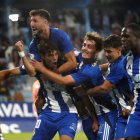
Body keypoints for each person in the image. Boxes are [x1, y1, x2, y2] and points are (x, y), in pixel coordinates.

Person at [30, 31, 118, 140]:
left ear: (97, 51)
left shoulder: (89, 70)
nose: (85, 48)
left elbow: (63, 81)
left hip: (106, 113)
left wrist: (42, 69)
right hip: (91, 114)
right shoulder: (79, 58)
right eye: (84, 45)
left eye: (90, 47)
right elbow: (63, 49)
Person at [78, 34, 133, 140]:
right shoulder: (114, 64)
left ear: (118, 50)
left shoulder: (120, 65)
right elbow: (105, 66)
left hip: (130, 110)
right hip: (122, 113)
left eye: (109, 51)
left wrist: (85, 92)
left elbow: (104, 88)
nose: (106, 55)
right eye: (105, 51)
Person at [28, 9, 77, 74]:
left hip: (72, 75)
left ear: (45, 22)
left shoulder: (59, 35)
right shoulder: (33, 45)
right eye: (31, 21)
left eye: (35, 21)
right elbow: (33, 70)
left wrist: (52, 75)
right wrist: (21, 53)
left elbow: (73, 63)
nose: (31, 24)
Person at [121, 23, 140, 140]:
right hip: (137, 110)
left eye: (126, 36)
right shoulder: (126, 61)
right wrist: (129, 105)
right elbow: (135, 88)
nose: (123, 39)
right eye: (122, 36)